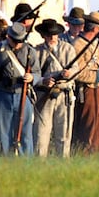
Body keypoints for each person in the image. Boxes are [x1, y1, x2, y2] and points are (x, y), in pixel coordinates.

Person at [0, 22, 41, 156]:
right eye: (14, 41)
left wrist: (32, 77)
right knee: (2, 134)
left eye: (19, 41)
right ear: (8, 37)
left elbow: (38, 73)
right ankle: (2, 162)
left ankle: (25, 163)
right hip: (2, 93)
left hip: (22, 94)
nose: (17, 44)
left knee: (25, 133)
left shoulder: (30, 52)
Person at [33, 19, 76, 157]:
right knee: (40, 133)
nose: (52, 37)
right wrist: (42, 81)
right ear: (43, 35)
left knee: (64, 133)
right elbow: (33, 74)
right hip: (44, 94)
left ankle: (63, 164)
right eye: (48, 34)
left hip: (64, 94)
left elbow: (76, 69)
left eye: (54, 34)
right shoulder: (36, 51)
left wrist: (69, 74)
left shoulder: (68, 49)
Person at [71, 11, 99, 154]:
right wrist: (98, 76)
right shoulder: (77, 45)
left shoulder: (94, 43)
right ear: (96, 28)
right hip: (87, 91)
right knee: (88, 130)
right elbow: (77, 71)